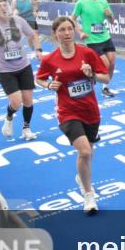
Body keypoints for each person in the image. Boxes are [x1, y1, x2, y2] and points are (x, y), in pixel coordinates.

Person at [36, 16, 110, 214]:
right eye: (62, 30)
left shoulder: (87, 53)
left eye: (70, 29)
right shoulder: (50, 59)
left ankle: (81, 177)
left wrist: (91, 75)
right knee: (84, 152)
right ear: (55, 34)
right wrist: (48, 85)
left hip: (90, 110)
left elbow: (106, 78)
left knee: (88, 154)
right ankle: (88, 194)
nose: (67, 33)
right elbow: (39, 78)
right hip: (67, 112)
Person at [0, 0, 42, 140]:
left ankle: (26, 128)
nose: (3, 8)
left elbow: (33, 34)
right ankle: (8, 117)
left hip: (24, 66)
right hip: (5, 70)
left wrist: (38, 50)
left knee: (28, 100)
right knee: (16, 102)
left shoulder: (18, 20)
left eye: (5, 5)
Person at [73, 0, 118, 97]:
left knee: (112, 63)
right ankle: (91, 75)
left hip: (105, 36)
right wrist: (80, 32)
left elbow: (112, 21)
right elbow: (72, 19)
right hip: (91, 39)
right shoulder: (81, 3)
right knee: (105, 65)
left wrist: (110, 16)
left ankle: (105, 87)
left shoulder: (103, 1)